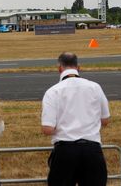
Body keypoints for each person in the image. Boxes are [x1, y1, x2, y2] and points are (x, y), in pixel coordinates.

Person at [41, 52, 111, 186]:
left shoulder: (53, 91)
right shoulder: (95, 87)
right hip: (92, 150)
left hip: (65, 151)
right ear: (79, 67)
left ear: (59, 68)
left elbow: (47, 129)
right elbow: (105, 120)